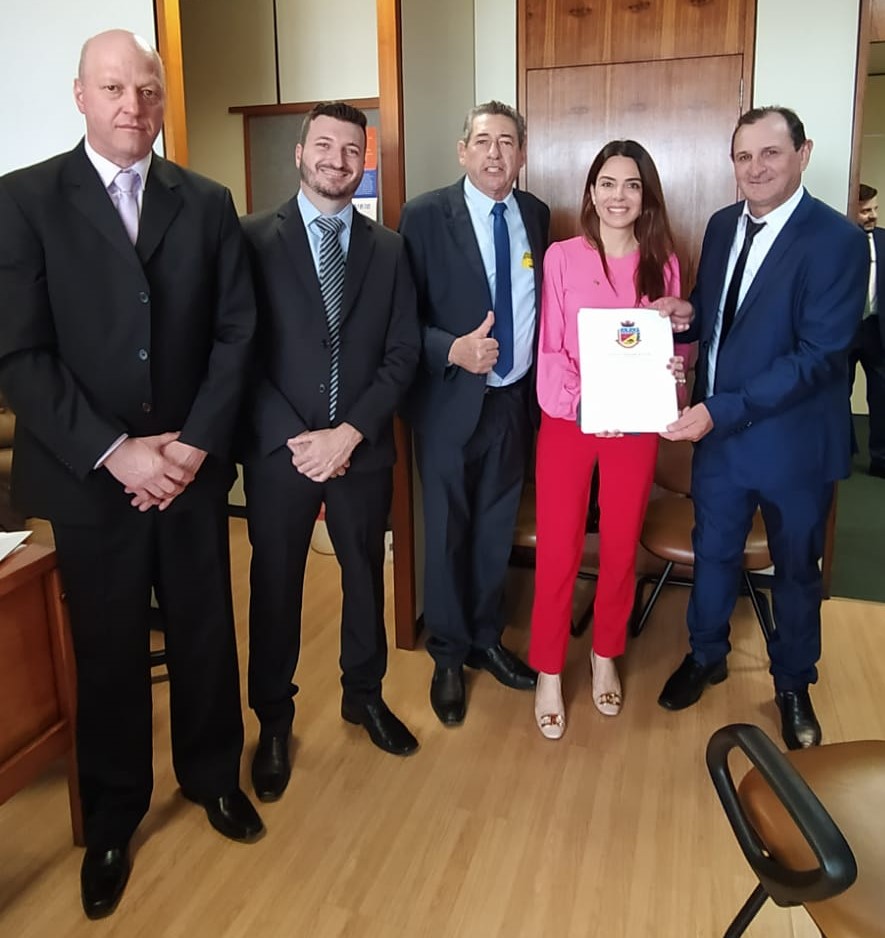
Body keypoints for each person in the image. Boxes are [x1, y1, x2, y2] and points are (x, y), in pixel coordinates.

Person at [0, 30, 263, 919]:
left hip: (191, 468)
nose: (132, 106)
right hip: (90, 476)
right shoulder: (23, 200)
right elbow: (20, 354)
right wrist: (119, 451)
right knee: (107, 650)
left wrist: (190, 446)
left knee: (203, 631)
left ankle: (213, 777)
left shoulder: (207, 201)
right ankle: (113, 816)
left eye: (146, 90)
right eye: (113, 89)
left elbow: (237, 332)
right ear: (81, 95)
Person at [656, 106, 867, 750]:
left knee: (797, 569)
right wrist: (687, 316)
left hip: (794, 444)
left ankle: (793, 683)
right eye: (743, 156)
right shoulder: (723, 225)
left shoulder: (838, 240)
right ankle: (706, 653)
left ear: (804, 153)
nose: (755, 168)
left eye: (770, 153)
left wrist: (719, 409)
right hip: (722, 439)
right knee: (714, 550)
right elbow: (721, 312)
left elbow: (819, 355)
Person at [241, 102, 421, 801]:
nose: (336, 161)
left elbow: (402, 353)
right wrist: (300, 440)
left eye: (351, 150)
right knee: (275, 586)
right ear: (300, 152)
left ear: (363, 160)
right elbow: (239, 351)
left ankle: (364, 696)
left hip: (360, 451)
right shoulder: (251, 238)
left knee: (364, 578)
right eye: (324, 145)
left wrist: (349, 434)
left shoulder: (390, 249)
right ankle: (274, 721)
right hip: (279, 453)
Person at [528, 140, 686, 739]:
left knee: (620, 545)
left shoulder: (662, 262)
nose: (619, 196)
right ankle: (548, 669)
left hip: (634, 427)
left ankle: (604, 655)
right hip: (570, 421)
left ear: (647, 197)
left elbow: (671, 349)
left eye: (632, 185)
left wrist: (674, 370)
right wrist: (587, 404)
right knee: (559, 547)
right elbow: (550, 347)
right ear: (591, 192)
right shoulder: (561, 257)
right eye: (608, 183)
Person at [398, 102, 550, 726]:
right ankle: (447, 654)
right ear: (462, 151)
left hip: (512, 403)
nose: (495, 153)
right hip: (448, 403)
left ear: (521, 154)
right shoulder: (424, 215)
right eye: (483, 141)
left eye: (507, 142)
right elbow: (399, 317)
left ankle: (488, 638)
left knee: (494, 531)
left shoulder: (536, 214)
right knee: (446, 534)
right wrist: (451, 349)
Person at [851, 183, 885, 477]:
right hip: (845, 331)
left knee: (881, 396)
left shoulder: (884, 240)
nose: (872, 215)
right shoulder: (838, 242)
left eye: (875, 209)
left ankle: (881, 459)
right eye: (865, 211)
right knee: (837, 394)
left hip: (877, 329)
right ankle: (843, 453)